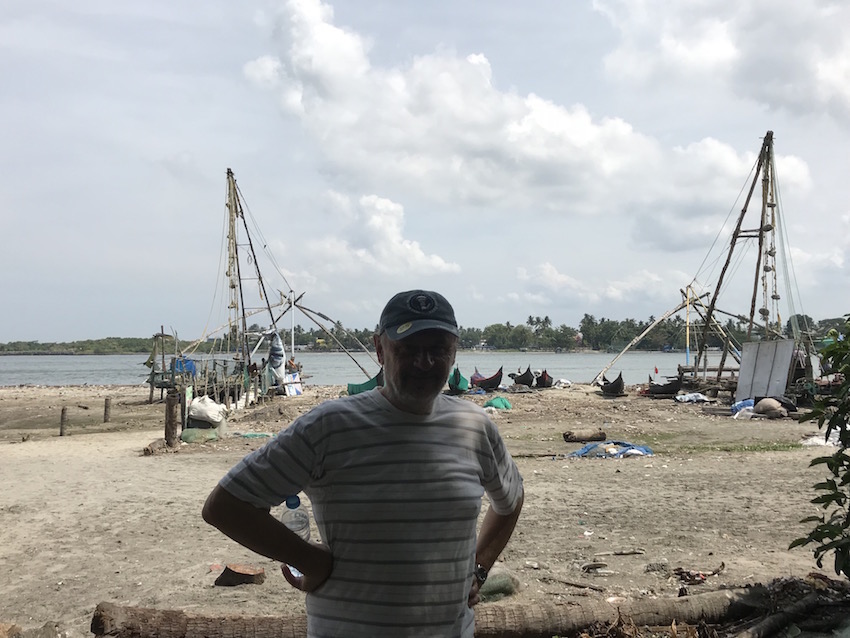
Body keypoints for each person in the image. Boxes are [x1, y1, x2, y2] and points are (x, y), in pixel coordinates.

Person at [202, 289, 524, 637]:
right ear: (380, 350)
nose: (425, 362)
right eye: (409, 350)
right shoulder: (328, 426)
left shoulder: (475, 427)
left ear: (455, 351)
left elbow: (512, 499)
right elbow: (226, 505)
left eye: (438, 350)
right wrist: (310, 560)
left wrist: (480, 567)